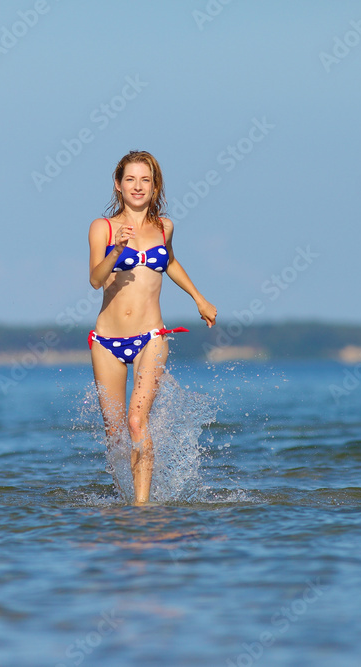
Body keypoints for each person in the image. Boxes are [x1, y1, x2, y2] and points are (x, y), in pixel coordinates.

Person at [87, 150, 217, 505]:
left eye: (145, 179)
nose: (138, 186)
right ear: (118, 185)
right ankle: (127, 499)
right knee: (114, 435)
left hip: (151, 337)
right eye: (130, 179)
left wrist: (198, 297)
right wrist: (115, 251)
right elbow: (96, 280)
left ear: (155, 185)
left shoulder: (164, 227)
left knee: (135, 422)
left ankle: (142, 509)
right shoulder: (104, 227)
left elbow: (169, 261)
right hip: (107, 341)